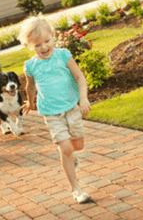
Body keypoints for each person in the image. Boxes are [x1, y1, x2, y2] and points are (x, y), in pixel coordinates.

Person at [20, 16, 92, 204]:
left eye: (47, 41)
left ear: (53, 37)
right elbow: (30, 87)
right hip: (51, 113)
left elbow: (80, 77)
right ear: (29, 45)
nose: (44, 48)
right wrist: (30, 102)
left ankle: (71, 158)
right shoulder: (31, 66)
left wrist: (83, 98)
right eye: (37, 45)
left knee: (77, 146)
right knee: (65, 148)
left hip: (71, 107)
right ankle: (76, 189)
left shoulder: (63, 55)